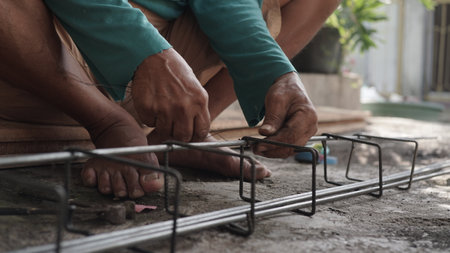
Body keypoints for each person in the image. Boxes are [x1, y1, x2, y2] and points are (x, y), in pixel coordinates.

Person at [0, 0, 339, 198]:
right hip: (40, 55)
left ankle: (185, 131)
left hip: (166, 60)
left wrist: (276, 73)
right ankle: (107, 121)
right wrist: (142, 50)